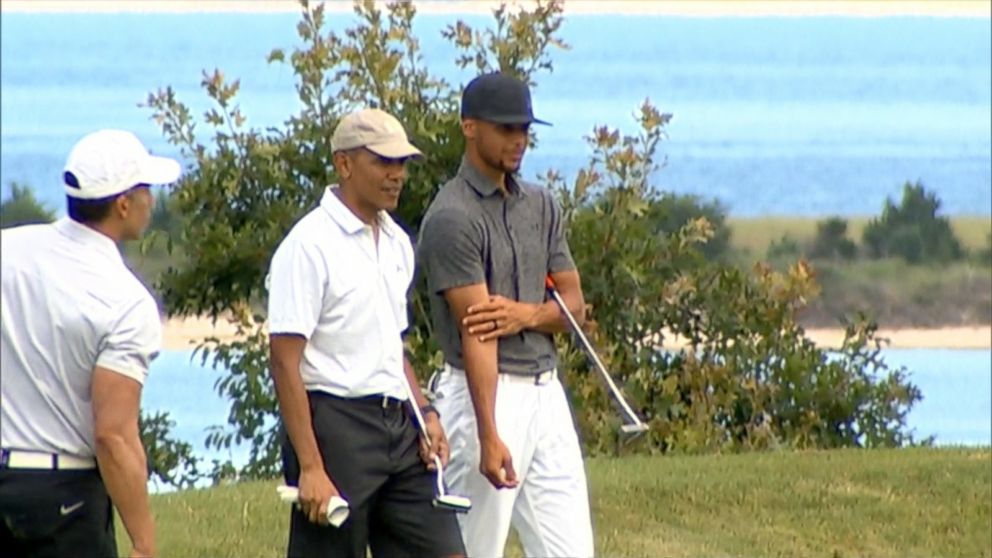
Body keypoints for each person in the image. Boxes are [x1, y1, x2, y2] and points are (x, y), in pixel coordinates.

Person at [267, 108, 465, 558]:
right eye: (383, 162)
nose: (397, 175)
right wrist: (311, 468)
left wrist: (426, 415)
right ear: (344, 164)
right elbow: (283, 361)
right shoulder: (308, 246)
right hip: (336, 425)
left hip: (399, 424)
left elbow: (392, 347)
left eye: (402, 164)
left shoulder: (397, 242)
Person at [417, 72, 595, 557]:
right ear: (469, 127)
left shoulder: (541, 204)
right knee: (475, 550)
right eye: (506, 129)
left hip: (546, 393)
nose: (518, 141)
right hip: (482, 399)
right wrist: (490, 434)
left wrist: (524, 315)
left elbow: (575, 309)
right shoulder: (452, 216)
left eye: (524, 130)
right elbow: (479, 332)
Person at [0, 129, 181, 558]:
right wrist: (143, 540)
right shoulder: (126, 302)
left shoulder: (9, 250)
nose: (151, 202)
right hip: (65, 498)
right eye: (145, 192)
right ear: (123, 205)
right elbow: (113, 437)